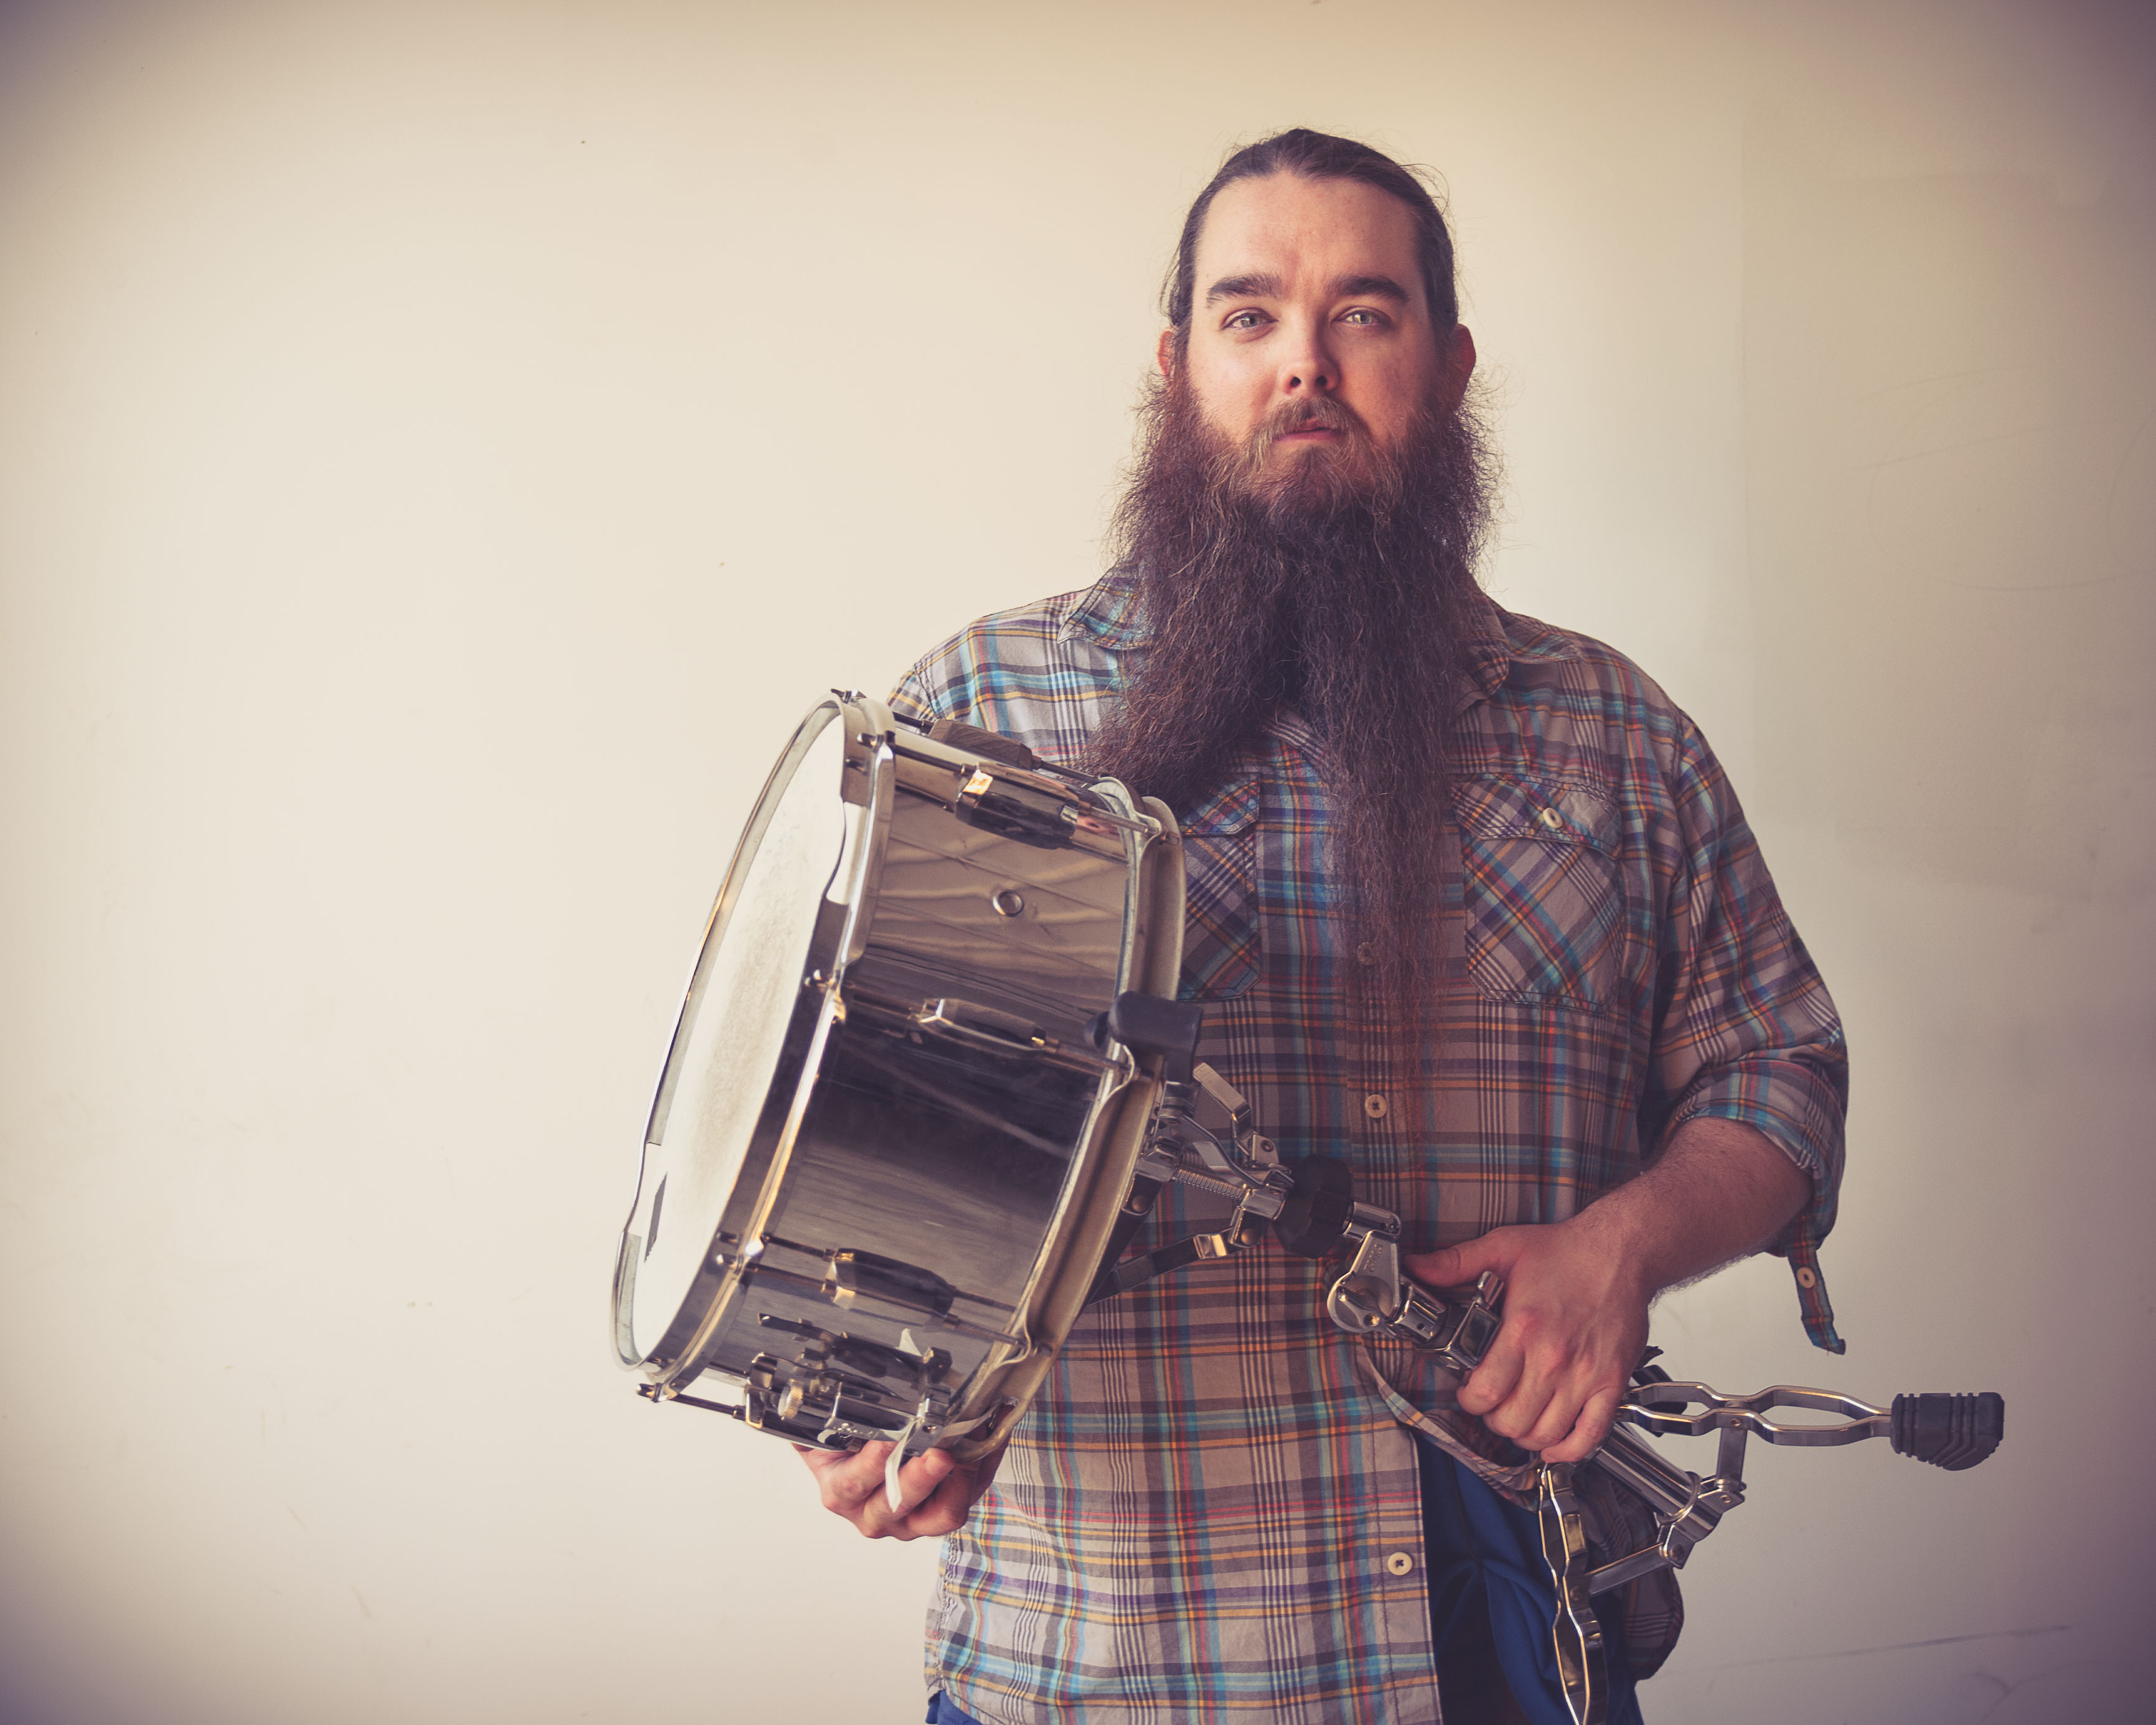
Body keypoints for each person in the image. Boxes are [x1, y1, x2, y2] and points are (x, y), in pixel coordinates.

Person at [795, 129, 1847, 1724]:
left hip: (1511, 1641)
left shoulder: (1615, 736)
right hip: (1096, 1649)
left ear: (1447, 365)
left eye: (1365, 313)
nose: (1306, 364)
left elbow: (1779, 1070)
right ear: (1175, 368)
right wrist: (869, 1395)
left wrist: (1619, 1249)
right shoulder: (983, 717)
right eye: (1248, 316)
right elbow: (855, 1140)